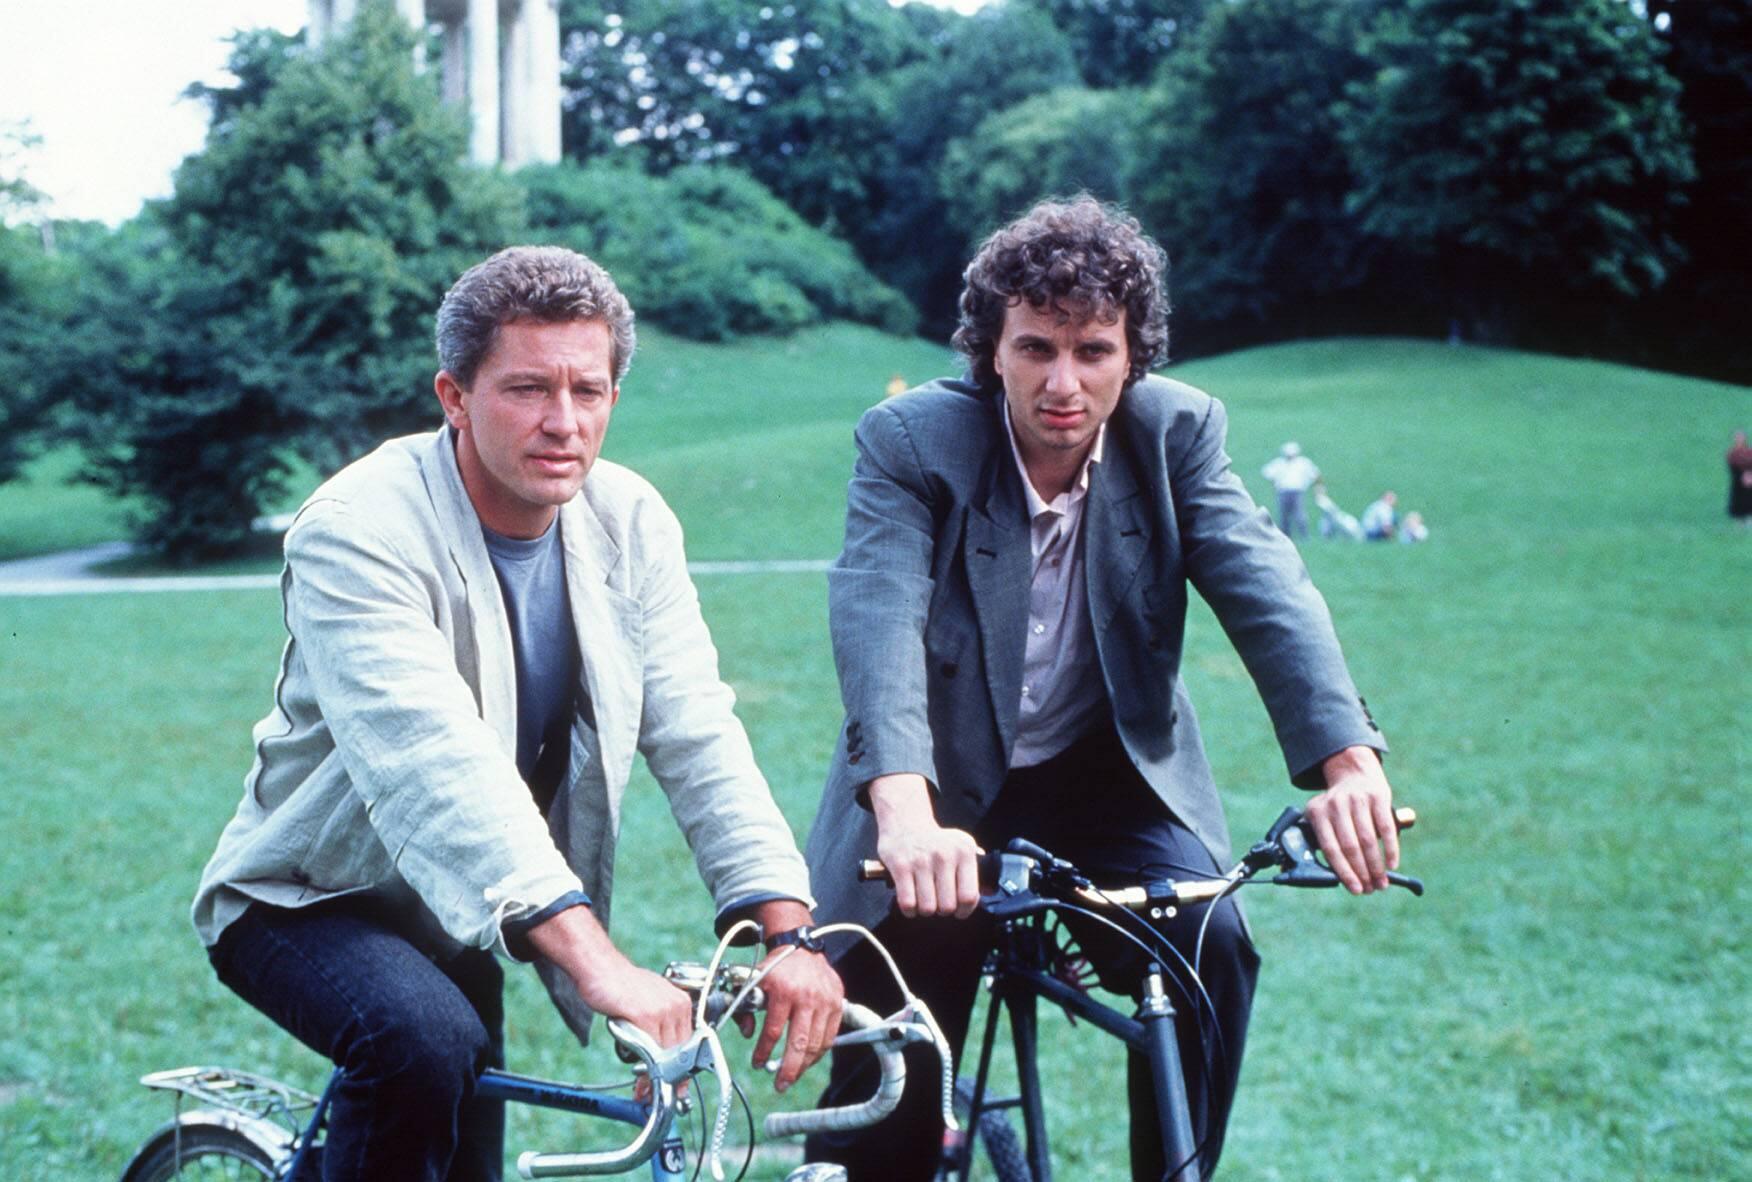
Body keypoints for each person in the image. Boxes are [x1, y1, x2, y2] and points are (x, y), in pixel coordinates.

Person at [192, 246, 843, 1182]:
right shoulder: (357, 527)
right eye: (528, 389)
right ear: (454, 397)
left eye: (589, 390)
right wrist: (596, 963)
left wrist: (788, 930)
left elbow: (699, 731)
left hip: (455, 909)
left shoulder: (631, 521)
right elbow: (435, 762)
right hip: (304, 898)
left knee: (464, 1147)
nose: (563, 422)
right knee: (422, 1041)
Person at [801, 198, 1397, 1181]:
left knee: (1211, 949)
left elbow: (1267, 588)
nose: (1063, 383)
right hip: (938, 788)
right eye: (1036, 348)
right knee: (899, 1062)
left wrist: (1350, 766)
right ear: (991, 351)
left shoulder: (1177, 433)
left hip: (1104, 782)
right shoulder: (912, 441)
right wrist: (904, 816)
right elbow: (878, 623)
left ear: (1133, 358)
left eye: (1094, 351)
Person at [1261, 440, 1320, 538]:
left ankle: (1304, 535)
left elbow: (1315, 474)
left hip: (1297, 492)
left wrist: (1315, 487)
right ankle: (1285, 535)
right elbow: (1267, 473)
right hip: (1283, 492)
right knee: (1284, 515)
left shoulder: (1303, 463)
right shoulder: (1279, 463)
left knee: (1299, 515)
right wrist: (1275, 483)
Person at [1727, 430, 1752, 527]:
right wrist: (1741, 476)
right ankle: (1739, 519)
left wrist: (1749, 475)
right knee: (1738, 497)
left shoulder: (1749, 452)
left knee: (1749, 496)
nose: (1739, 440)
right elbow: (1732, 466)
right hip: (1737, 477)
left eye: (1741, 438)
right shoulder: (1732, 453)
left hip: (1750, 477)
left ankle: (1749, 517)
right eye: (1737, 438)